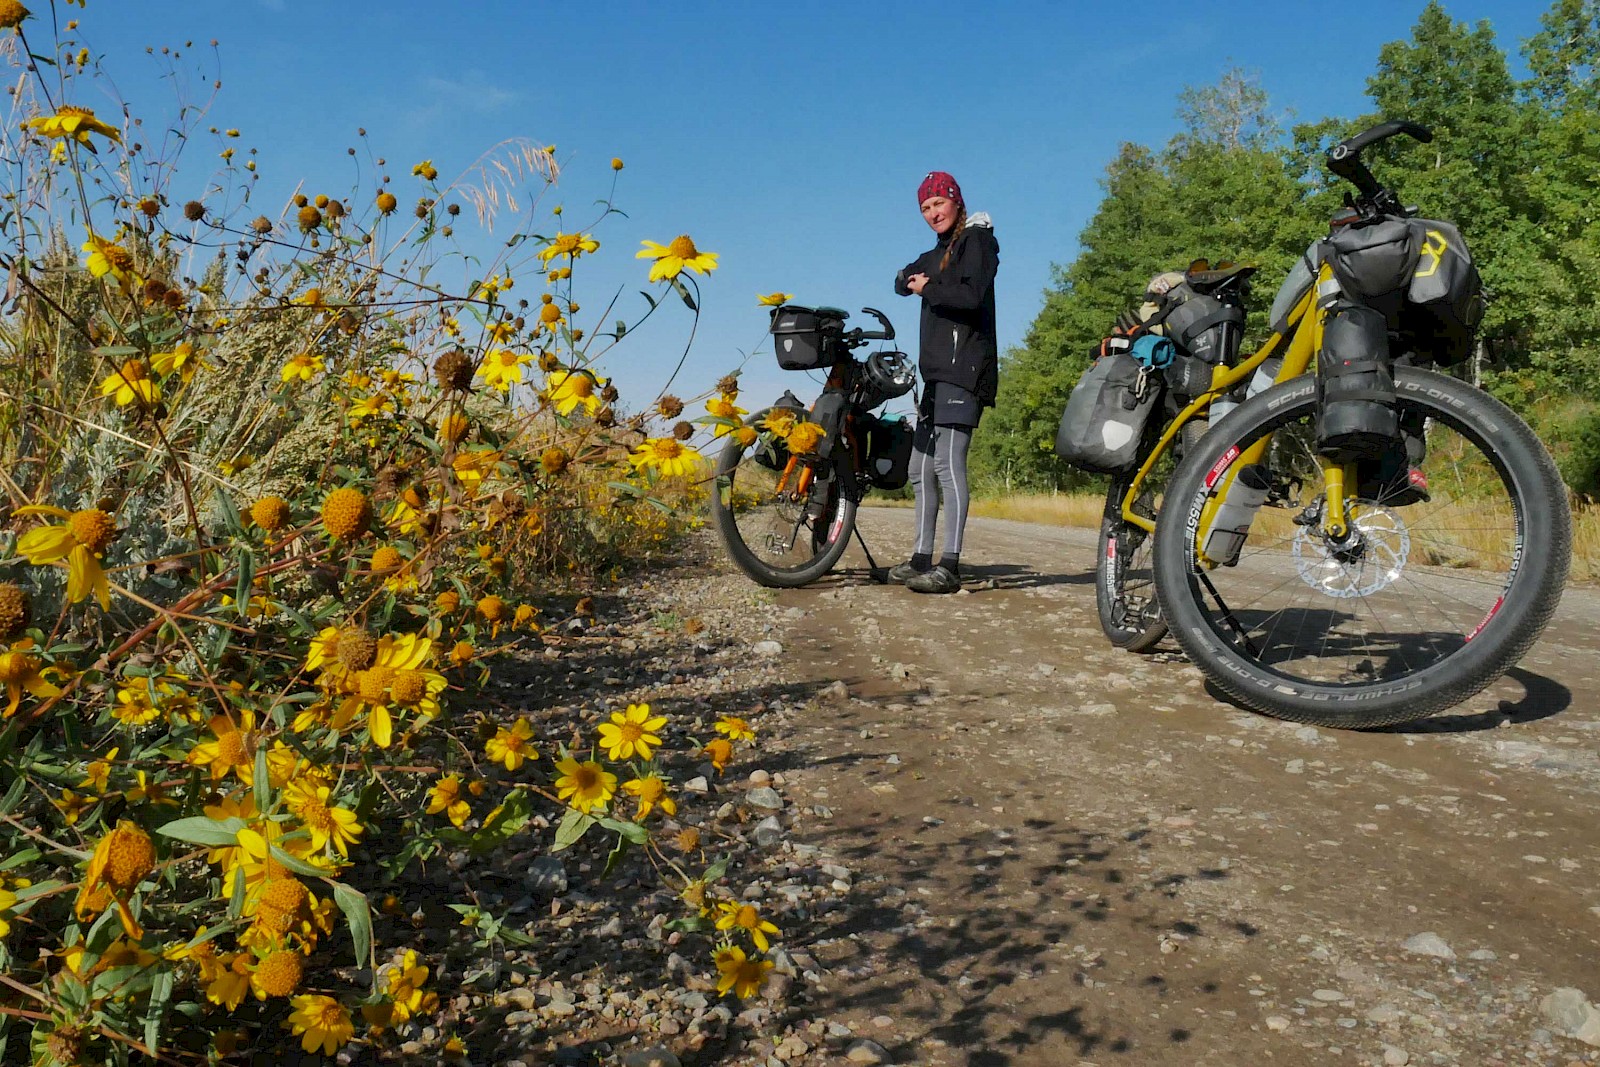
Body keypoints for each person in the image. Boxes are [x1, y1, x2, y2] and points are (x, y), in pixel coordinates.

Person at [888, 171, 1000, 594]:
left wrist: (928, 287)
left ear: (956, 201)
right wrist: (908, 279)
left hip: (964, 369)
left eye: (938, 203)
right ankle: (920, 560)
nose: (933, 213)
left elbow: (970, 297)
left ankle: (949, 566)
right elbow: (902, 281)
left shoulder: (977, 242)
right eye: (925, 208)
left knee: (947, 466)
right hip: (935, 376)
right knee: (919, 469)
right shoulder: (936, 252)